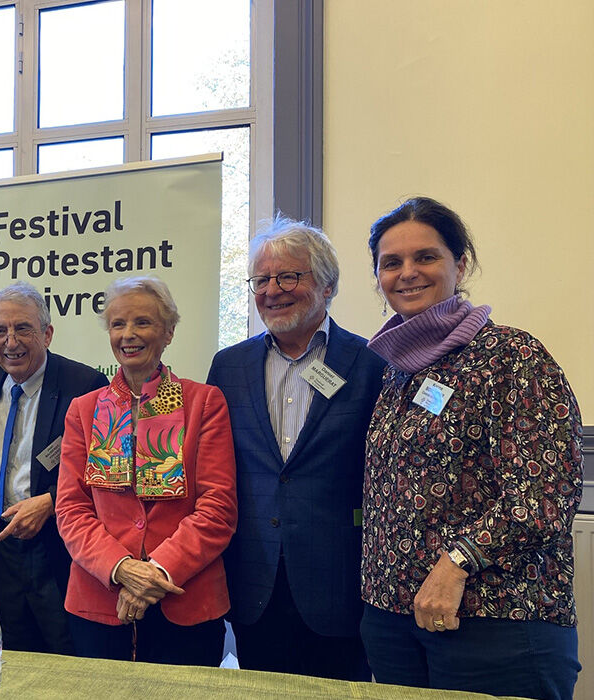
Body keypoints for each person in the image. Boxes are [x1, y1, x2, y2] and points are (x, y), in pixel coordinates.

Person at [361, 197, 583, 699]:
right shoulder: (397, 371)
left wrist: (454, 564)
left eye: (426, 257)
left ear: (460, 265)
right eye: (390, 263)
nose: (407, 273)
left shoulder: (513, 355)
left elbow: (545, 495)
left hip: (496, 622)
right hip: (397, 623)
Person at [205, 218, 385, 680]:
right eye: (262, 279)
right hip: (254, 581)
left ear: (327, 286)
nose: (273, 290)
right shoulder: (228, 367)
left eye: (289, 276)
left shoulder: (371, 364)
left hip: (337, 585)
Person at [56, 276, 238, 666]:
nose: (128, 335)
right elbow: (71, 509)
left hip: (185, 601)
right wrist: (122, 569)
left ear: (169, 332)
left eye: (143, 322)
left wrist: (154, 572)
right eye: (118, 324)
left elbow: (217, 509)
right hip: (99, 603)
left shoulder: (204, 402)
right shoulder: (83, 410)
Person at [0, 281, 109, 654]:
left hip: (58, 551)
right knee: (11, 656)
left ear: (47, 333)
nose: (11, 342)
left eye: (23, 328)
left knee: (66, 656)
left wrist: (51, 501)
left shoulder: (84, 385)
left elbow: (104, 471)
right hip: (1, 547)